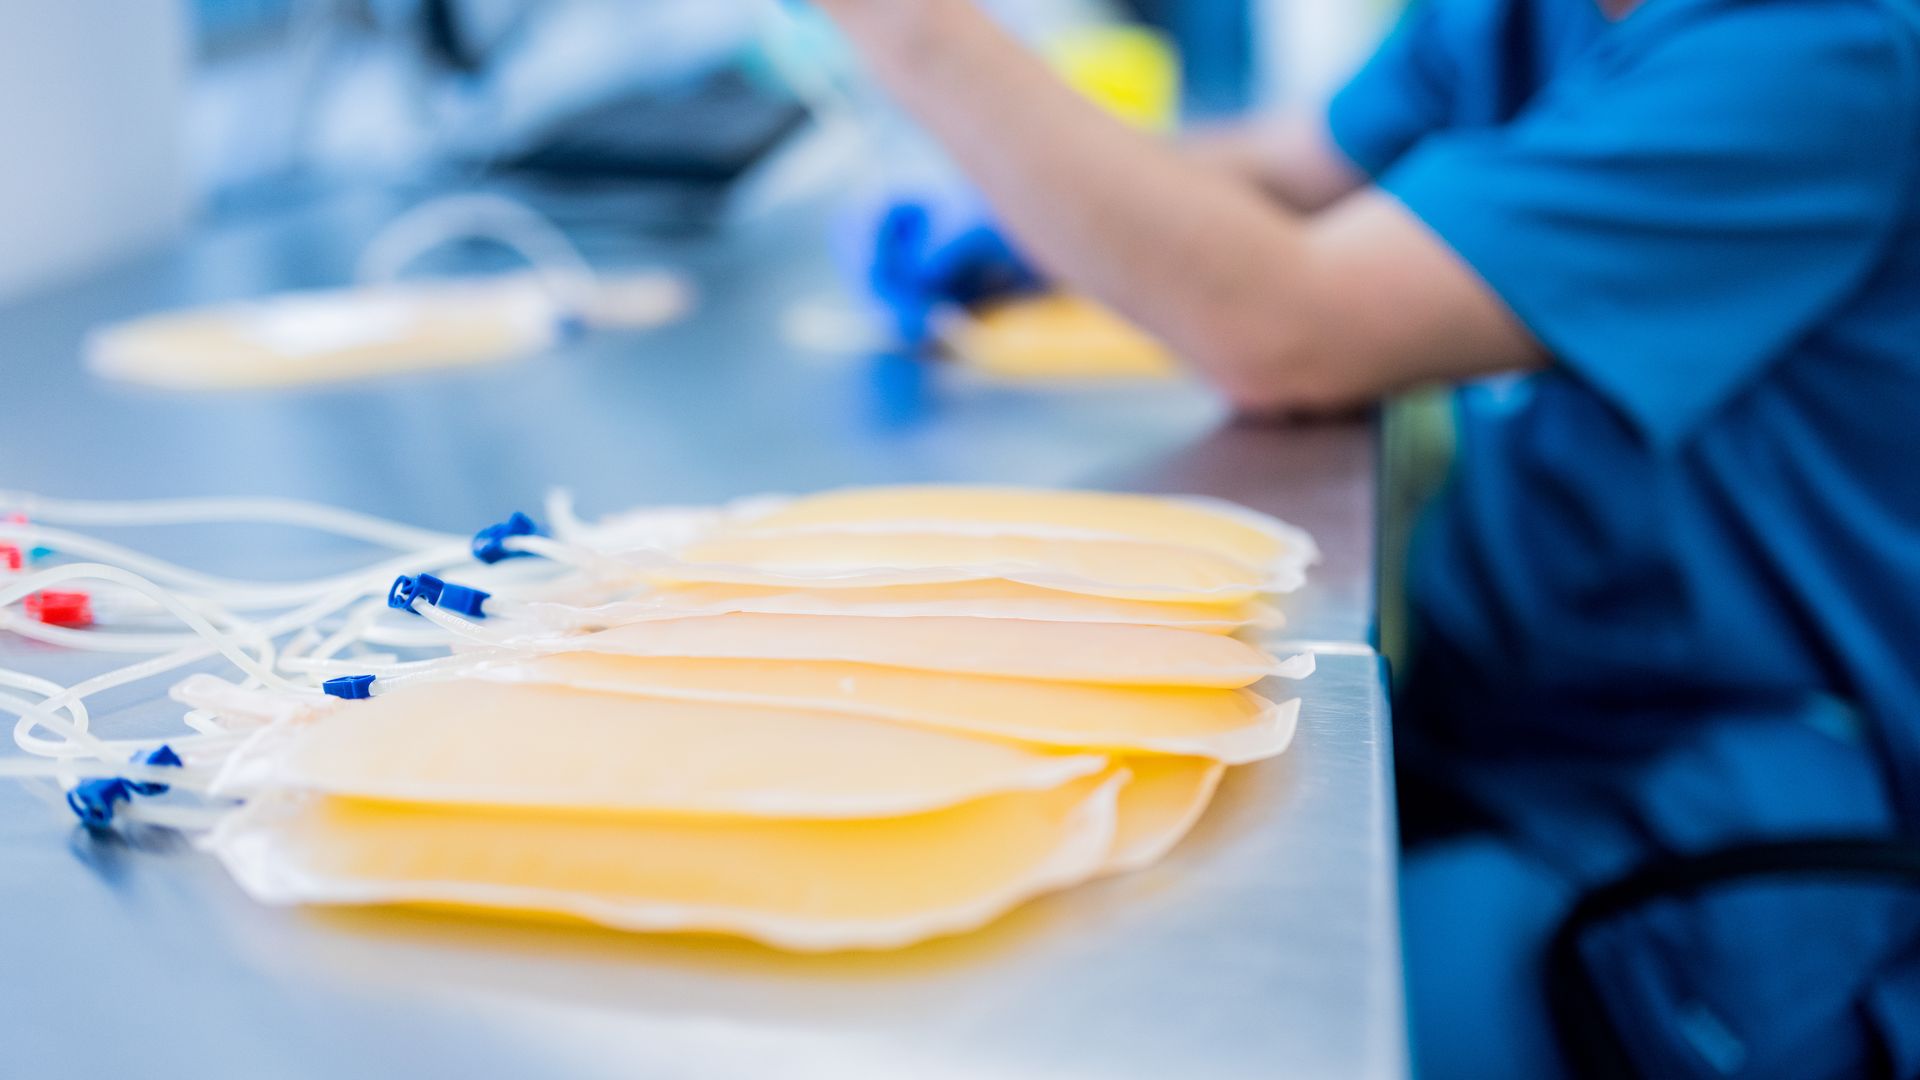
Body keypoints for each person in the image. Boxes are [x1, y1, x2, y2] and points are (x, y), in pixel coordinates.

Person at [808, 0, 1920, 1076]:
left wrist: (916, 26)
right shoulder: (1532, 12)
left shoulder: (1819, 46)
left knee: (1178, 1026)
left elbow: (1290, 328)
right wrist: (1029, 213)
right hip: (1522, 730)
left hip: (1726, 812)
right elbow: (1293, 169)